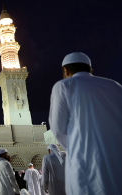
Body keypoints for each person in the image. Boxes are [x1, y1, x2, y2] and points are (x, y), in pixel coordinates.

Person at [49, 52, 122, 195]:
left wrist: (80, 148)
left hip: (85, 161)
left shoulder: (64, 86)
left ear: (66, 70)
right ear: (91, 70)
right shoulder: (115, 86)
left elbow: (58, 129)